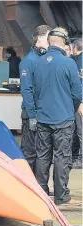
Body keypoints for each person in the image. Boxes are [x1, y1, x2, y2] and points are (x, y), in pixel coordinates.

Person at [32, 27, 83, 206]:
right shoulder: (68, 63)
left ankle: (41, 191)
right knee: (62, 156)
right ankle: (61, 195)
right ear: (63, 43)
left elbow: (35, 90)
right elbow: (77, 92)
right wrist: (75, 107)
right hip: (63, 118)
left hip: (43, 117)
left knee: (43, 156)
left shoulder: (38, 63)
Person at [19, 25, 52, 176]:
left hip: (44, 114)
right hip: (32, 115)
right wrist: (32, 115)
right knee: (30, 153)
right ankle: (27, 185)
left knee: (43, 154)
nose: (50, 42)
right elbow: (26, 90)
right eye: (48, 39)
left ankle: (40, 186)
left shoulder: (44, 60)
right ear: (39, 39)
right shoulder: (28, 61)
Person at [71, 38, 83, 169]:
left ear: (75, 48)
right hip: (76, 102)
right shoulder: (75, 61)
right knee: (76, 131)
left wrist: (81, 102)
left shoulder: (80, 62)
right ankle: (75, 156)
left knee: (81, 131)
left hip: (80, 103)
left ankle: (81, 159)